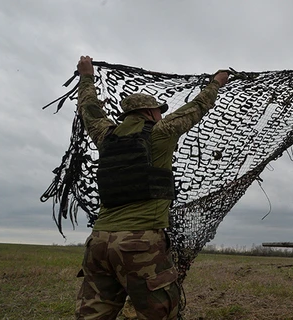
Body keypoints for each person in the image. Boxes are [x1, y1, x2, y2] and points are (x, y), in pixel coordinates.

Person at [74, 55, 229, 319]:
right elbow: (196, 107)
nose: (161, 115)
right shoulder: (161, 132)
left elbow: (89, 109)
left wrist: (86, 77)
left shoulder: (105, 134)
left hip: (98, 243)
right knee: (160, 313)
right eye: (158, 110)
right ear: (148, 113)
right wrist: (216, 83)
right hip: (139, 243)